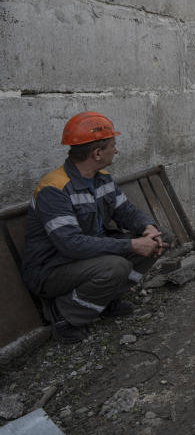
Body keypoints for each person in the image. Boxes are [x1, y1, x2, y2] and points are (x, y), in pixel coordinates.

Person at [21, 112, 168, 344]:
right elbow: (71, 245)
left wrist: (147, 227)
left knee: (159, 238)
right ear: (97, 153)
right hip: (52, 268)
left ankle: (105, 300)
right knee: (115, 265)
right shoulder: (54, 189)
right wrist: (131, 244)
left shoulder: (102, 178)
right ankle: (64, 315)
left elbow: (126, 211)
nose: (116, 150)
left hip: (88, 257)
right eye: (113, 145)